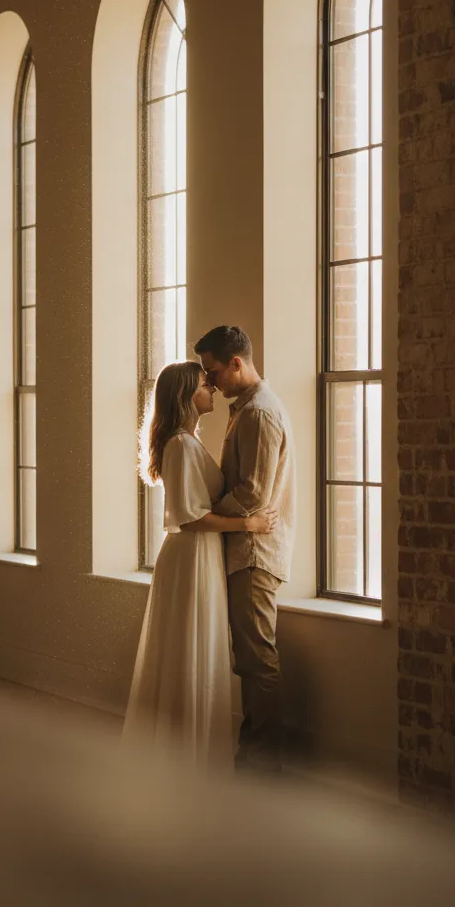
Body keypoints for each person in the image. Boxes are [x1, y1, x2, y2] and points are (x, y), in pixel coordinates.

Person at [123, 360, 275, 768]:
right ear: (187, 394)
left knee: (197, 647)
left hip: (199, 553)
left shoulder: (185, 442)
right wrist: (249, 522)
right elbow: (188, 516)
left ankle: (197, 751)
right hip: (191, 553)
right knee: (190, 648)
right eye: (205, 384)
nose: (211, 388)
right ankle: (187, 757)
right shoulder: (180, 444)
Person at [194, 326, 295, 774]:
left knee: (257, 659)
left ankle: (263, 764)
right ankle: (254, 754)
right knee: (251, 658)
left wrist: (204, 511)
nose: (209, 383)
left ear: (236, 363)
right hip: (245, 546)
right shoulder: (248, 409)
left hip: (254, 552)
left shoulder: (258, 415)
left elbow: (253, 494)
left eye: (212, 373)